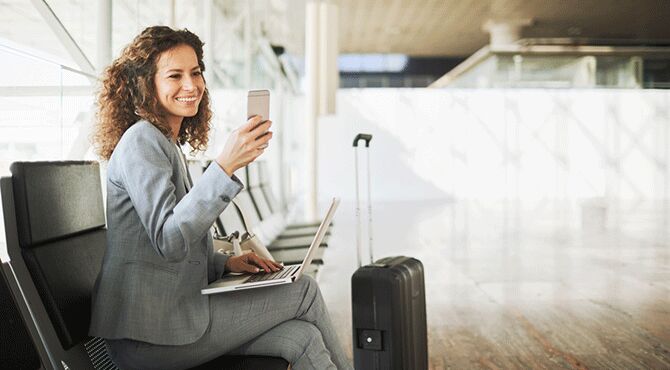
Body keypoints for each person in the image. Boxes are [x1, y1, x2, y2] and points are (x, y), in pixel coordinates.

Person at [89, 26, 351, 370]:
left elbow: (162, 251)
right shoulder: (141, 141)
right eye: (175, 75)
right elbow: (169, 240)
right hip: (150, 337)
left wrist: (224, 264)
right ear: (146, 84)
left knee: (302, 338)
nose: (191, 85)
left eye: (196, 72)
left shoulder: (165, 143)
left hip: (172, 320)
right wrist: (225, 165)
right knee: (304, 291)